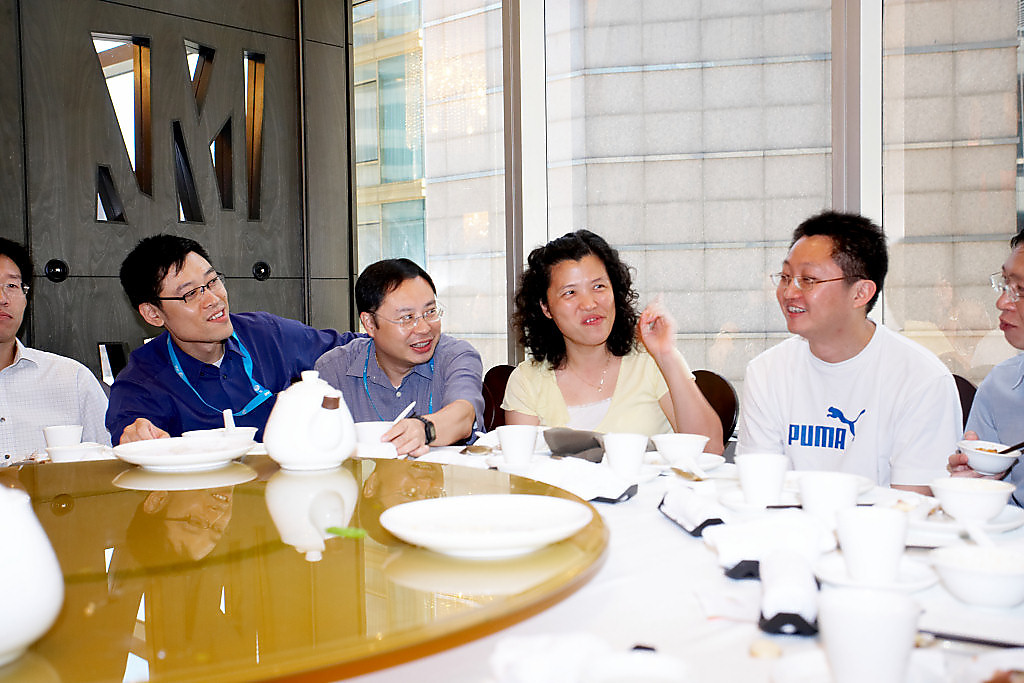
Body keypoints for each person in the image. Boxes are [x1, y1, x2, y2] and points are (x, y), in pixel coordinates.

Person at [737, 211, 960, 492]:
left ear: (860, 293)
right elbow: (759, 488)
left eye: (808, 280)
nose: (789, 292)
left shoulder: (921, 379)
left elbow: (913, 504)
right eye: (785, 276)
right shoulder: (766, 372)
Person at [106, 234, 358, 444]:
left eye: (212, 281)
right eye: (190, 294)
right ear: (153, 314)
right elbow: (132, 436)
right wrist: (137, 437)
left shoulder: (265, 333)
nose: (213, 299)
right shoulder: (141, 383)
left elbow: (354, 349)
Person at [501, 230, 723, 452]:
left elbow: (710, 448)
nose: (589, 304)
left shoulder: (651, 361)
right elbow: (523, 466)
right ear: (546, 307)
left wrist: (666, 355)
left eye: (598, 286)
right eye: (570, 293)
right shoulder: (527, 381)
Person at [315, 258, 483, 457]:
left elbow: (463, 415)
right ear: (369, 323)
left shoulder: (456, 356)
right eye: (407, 318)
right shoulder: (334, 370)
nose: (424, 328)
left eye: (430, 312)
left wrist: (424, 430)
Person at [0, 238, 110, 462]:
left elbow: (110, 466)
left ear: (26, 298)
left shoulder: (72, 379)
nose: (2, 299)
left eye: (12, 286)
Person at [947, 230, 1024, 507]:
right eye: (1005, 285)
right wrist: (976, 481)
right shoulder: (1000, 386)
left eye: (1021, 290)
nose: (1001, 302)